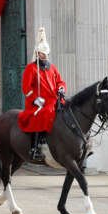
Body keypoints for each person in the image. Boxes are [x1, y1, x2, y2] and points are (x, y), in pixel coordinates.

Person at [17, 27, 67, 163]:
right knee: (45, 113)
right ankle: (36, 147)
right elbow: (26, 87)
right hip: (38, 102)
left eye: (45, 54)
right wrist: (35, 99)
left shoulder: (53, 68)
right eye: (40, 53)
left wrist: (61, 88)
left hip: (54, 99)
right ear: (37, 53)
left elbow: (60, 81)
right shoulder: (31, 68)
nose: (43, 56)